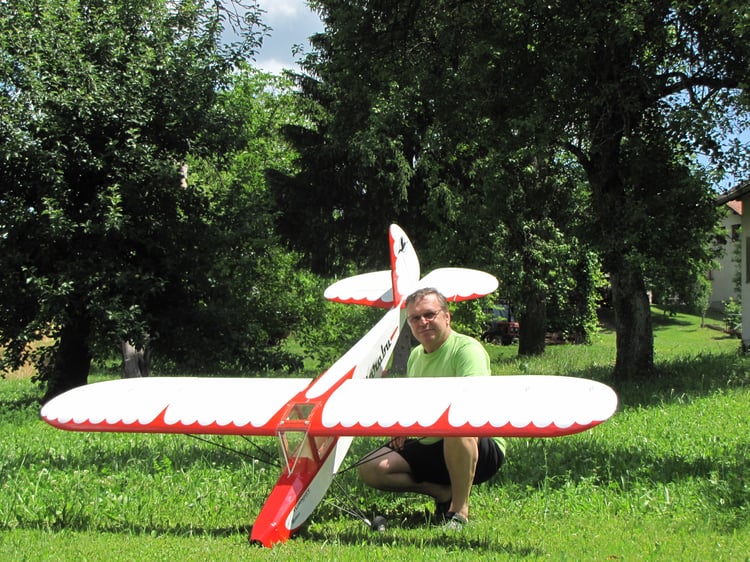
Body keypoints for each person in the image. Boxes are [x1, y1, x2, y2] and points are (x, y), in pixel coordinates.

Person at [357, 287, 506, 530]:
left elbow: (472, 404)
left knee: (457, 426)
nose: (422, 322)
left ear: (446, 316)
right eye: (415, 318)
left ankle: (459, 512)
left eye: (429, 314)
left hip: (477, 444)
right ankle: (442, 492)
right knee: (370, 468)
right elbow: (415, 401)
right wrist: (403, 424)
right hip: (431, 440)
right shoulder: (416, 355)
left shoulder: (467, 350)